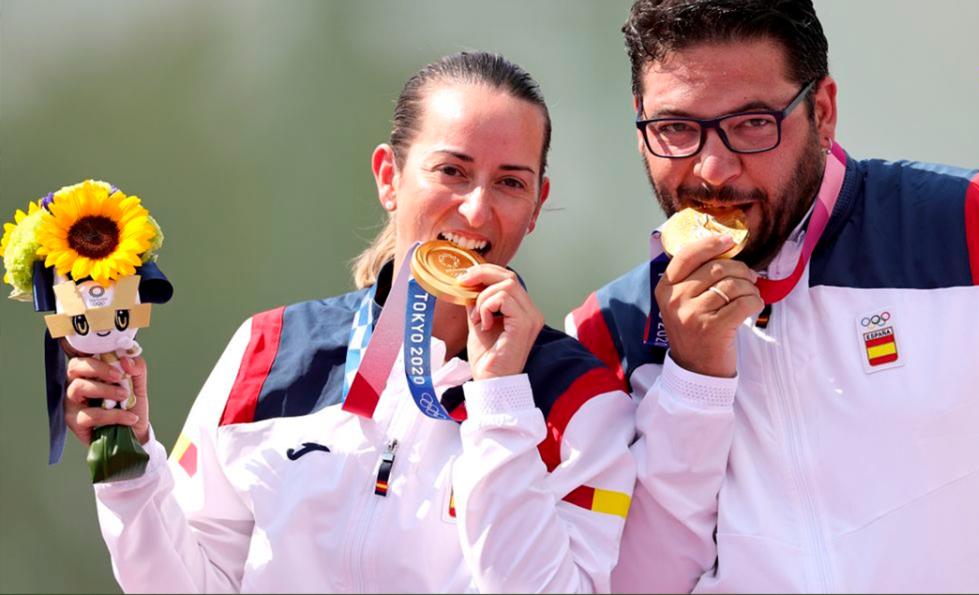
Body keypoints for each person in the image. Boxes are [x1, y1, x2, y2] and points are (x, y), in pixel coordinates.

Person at [566, 0, 979, 593]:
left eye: (752, 124)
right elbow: (630, 581)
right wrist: (693, 382)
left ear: (824, 112)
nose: (712, 169)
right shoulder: (607, 331)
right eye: (675, 129)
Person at [66, 51, 635, 593]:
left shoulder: (583, 404)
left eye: (510, 182)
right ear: (390, 177)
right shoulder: (267, 351)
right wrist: (130, 467)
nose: (477, 209)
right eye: (452, 171)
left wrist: (501, 405)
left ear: (537, 204)